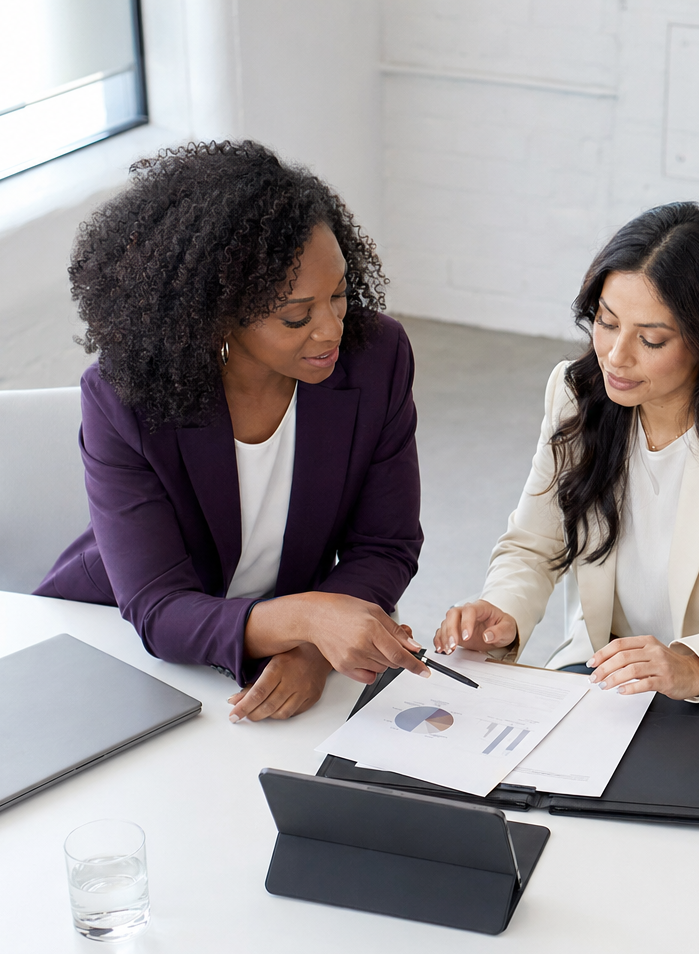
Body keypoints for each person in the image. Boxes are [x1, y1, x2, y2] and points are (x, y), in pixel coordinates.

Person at [36, 141, 430, 723]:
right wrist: (306, 621)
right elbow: (159, 607)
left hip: (258, 668)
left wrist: (311, 649)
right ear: (216, 312)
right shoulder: (126, 398)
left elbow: (385, 544)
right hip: (118, 650)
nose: (330, 330)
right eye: (296, 315)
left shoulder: (376, 357)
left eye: (340, 294)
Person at [434, 203, 699, 707]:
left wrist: (695, 665)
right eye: (605, 321)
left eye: (651, 339)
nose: (616, 356)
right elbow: (534, 544)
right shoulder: (578, 393)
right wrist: (501, 611)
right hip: (613, 678)